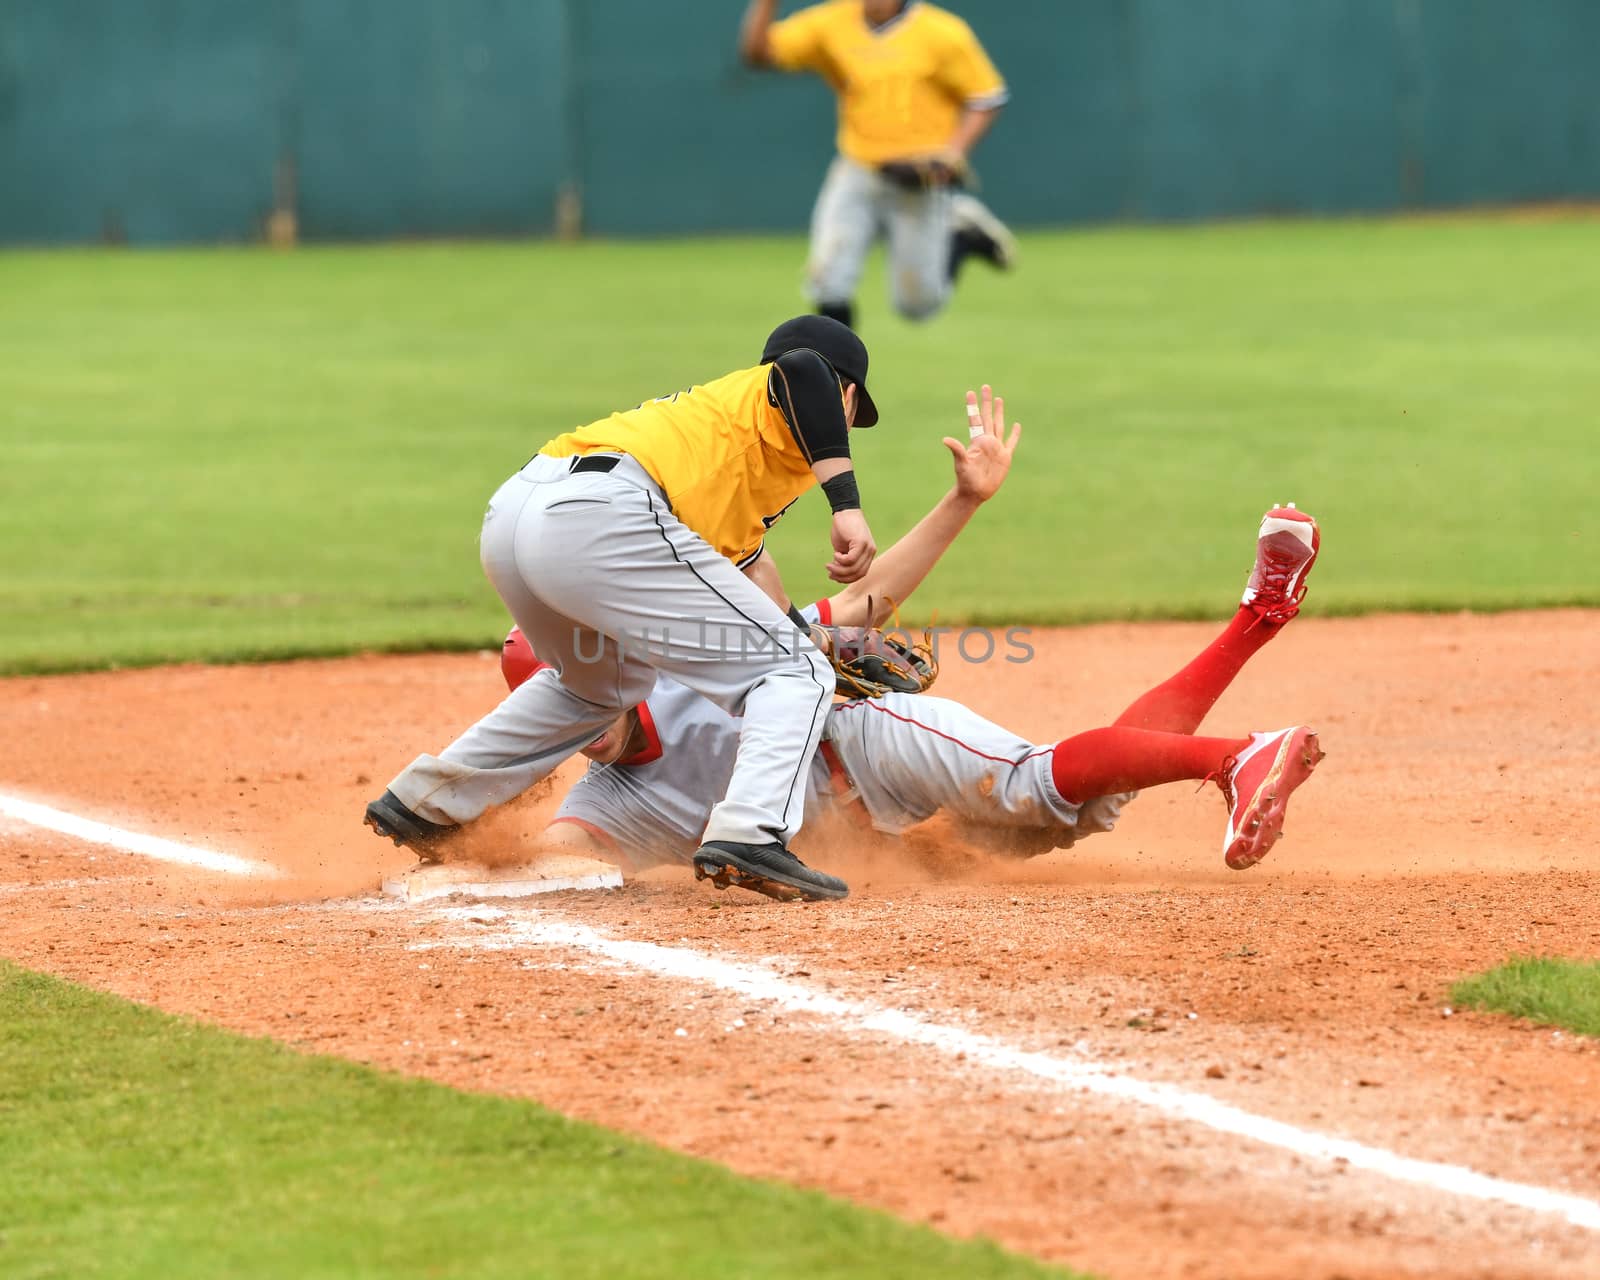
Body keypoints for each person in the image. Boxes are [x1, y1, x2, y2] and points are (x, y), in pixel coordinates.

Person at [502, 393, 1326, 895]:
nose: (583, 713)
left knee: (1033, 781)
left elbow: (865, 604)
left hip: (868, 747)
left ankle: (1234, 758)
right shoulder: (607, 800)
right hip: (891, 840)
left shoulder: (690, 656)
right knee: (1088, 799)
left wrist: (963, 501)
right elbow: (554, 860)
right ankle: (1261, 617)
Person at [365, 315, 934, 903]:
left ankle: (427, 803)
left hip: (521, 516)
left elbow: (748, 578)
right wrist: (845, 505)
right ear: (842, 395)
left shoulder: (732, 456)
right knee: (792, 675)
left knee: (605, 682)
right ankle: (751, 833)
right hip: (605, 512)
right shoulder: (773, 390)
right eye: (851, 409)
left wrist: (814, 640)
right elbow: (801, 369)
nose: (847, 426)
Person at [739, 0, 1017, 328]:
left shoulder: (942, 32)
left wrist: (952, 153)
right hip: (858, 167)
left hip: (917, 177)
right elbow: (759, 54)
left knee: (917, 306)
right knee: (828, 280)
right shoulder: (832, 22)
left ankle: (960, 236)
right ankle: (837, 374)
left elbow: (986, 97)